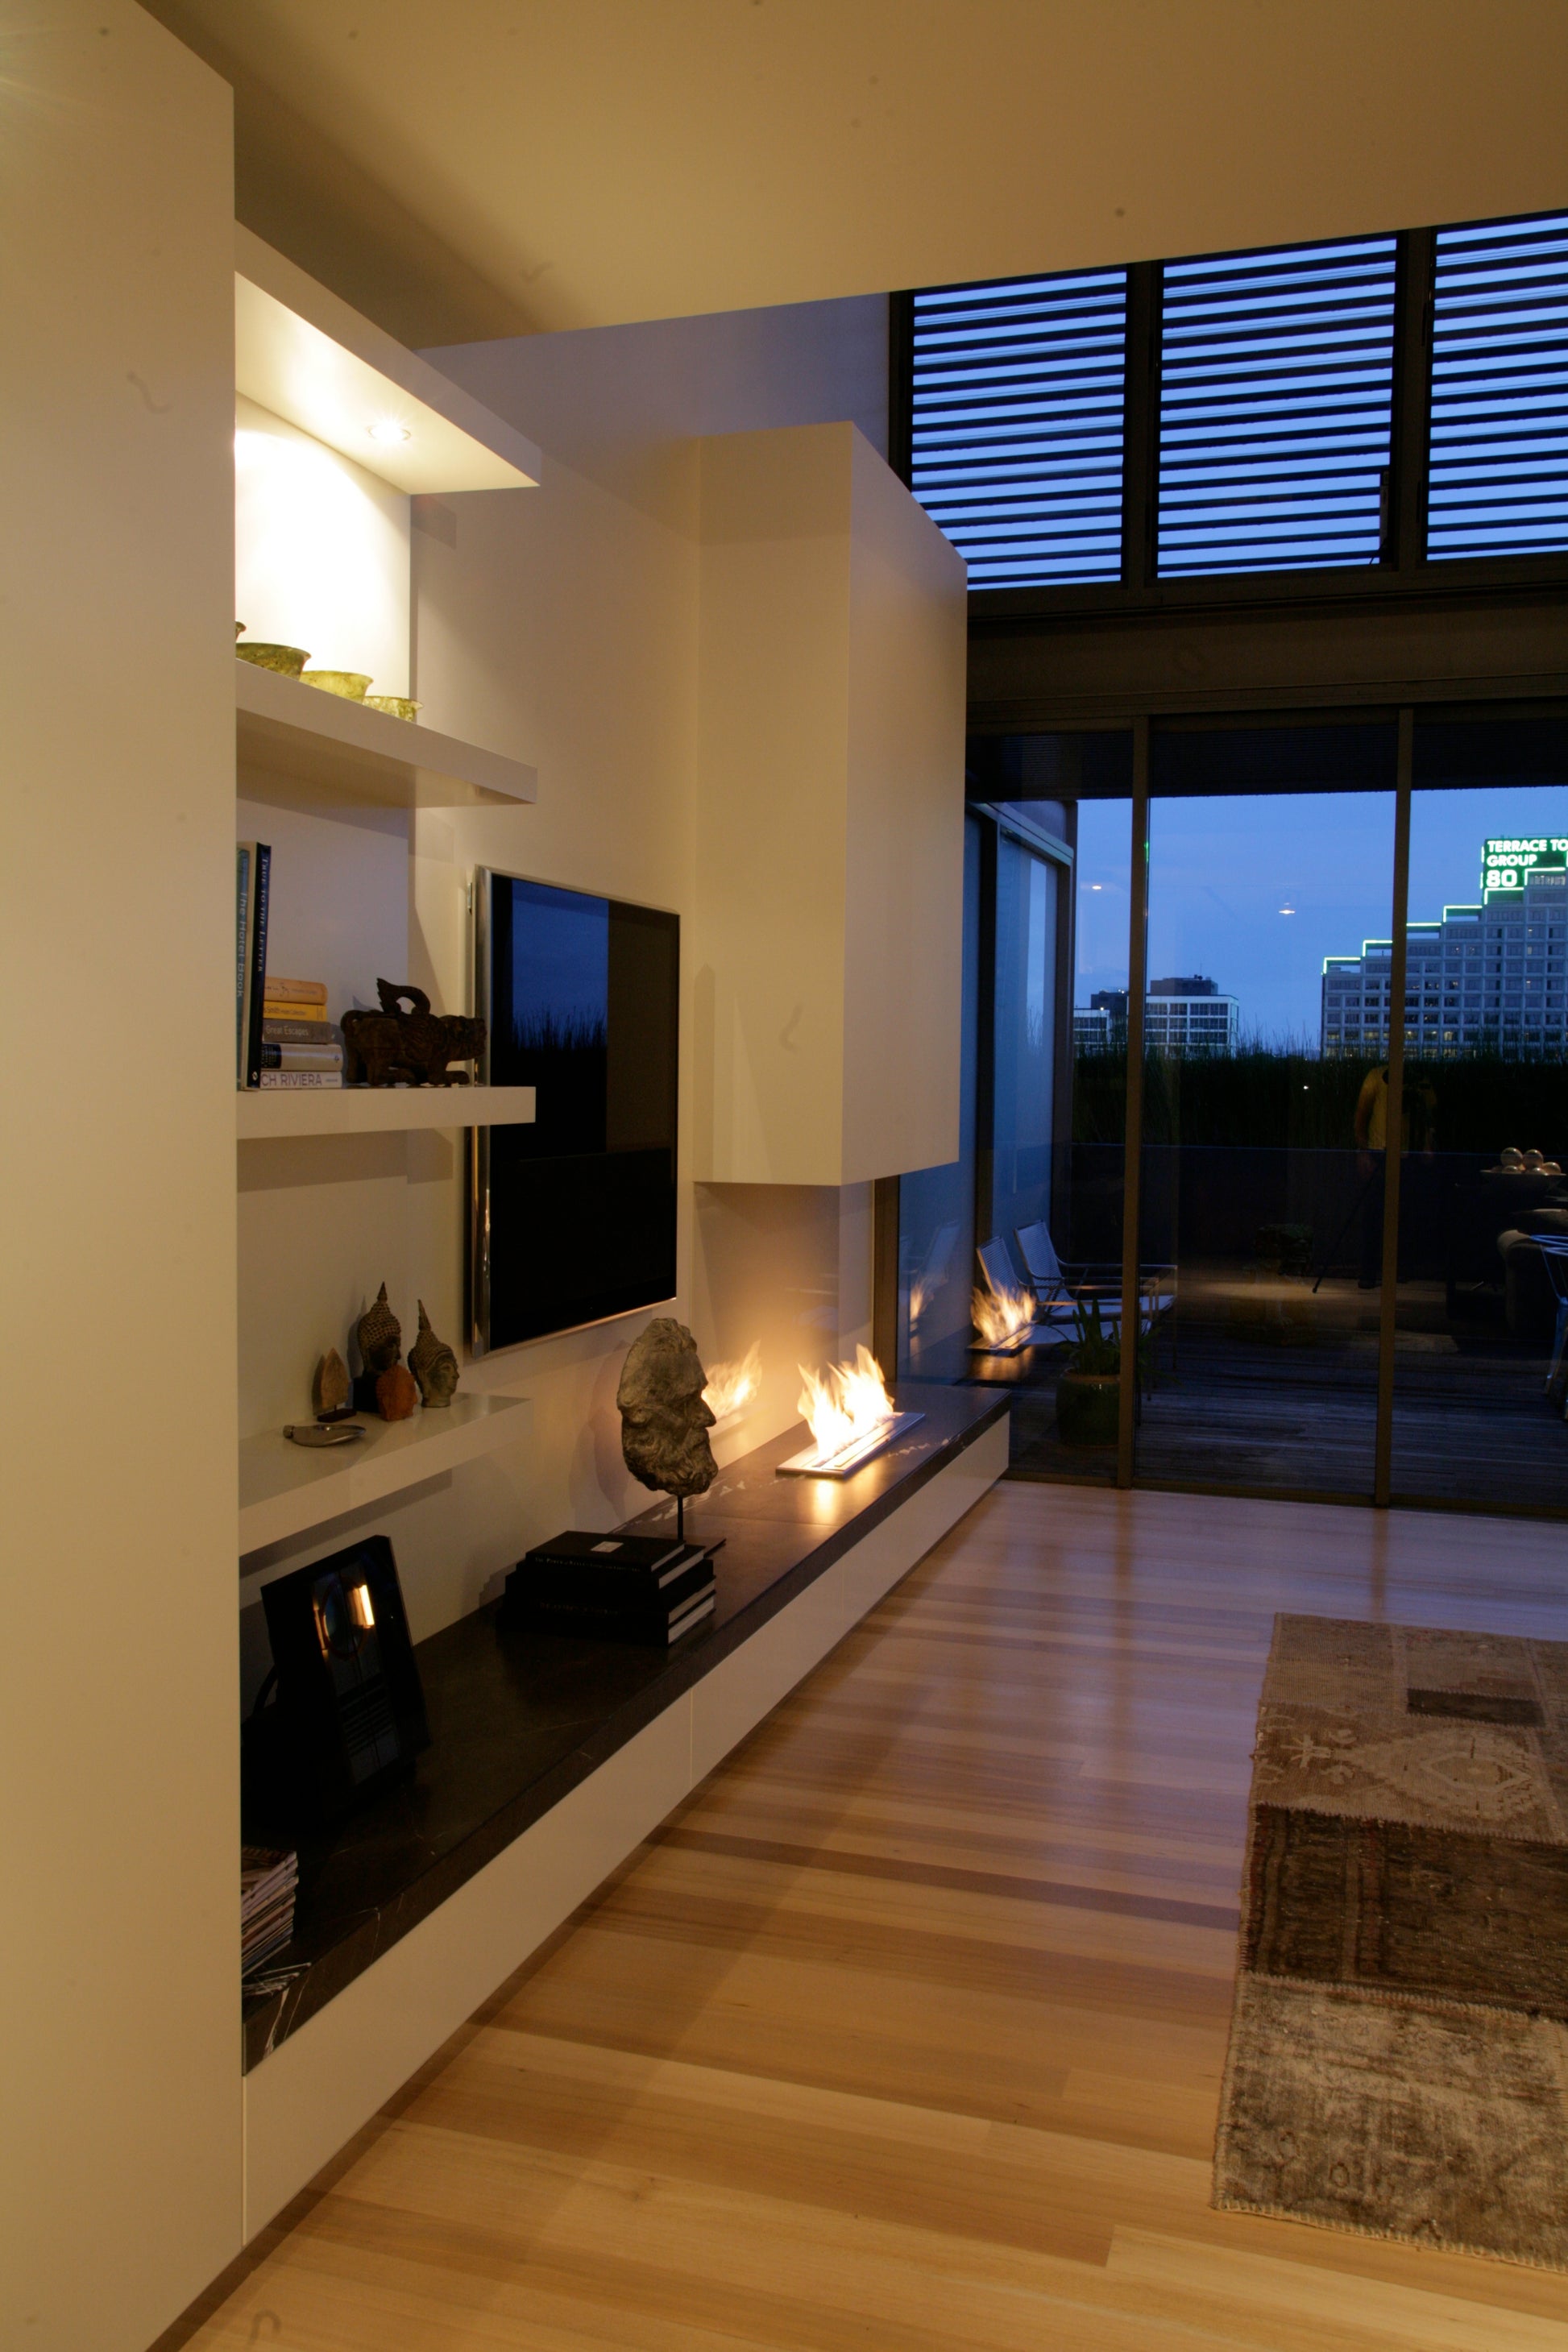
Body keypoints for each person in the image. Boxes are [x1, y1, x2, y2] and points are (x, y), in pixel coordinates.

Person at [1353, 1064, 1437, 1288]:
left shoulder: (1418, 1079)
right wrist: (1364, 1152)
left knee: (1405, 1214)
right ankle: (1370, 1272)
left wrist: (1427, 1145)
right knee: (1373, 1215)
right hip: (1381, 1152)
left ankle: (1397, 1270)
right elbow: (1361, 1116)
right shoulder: (1378, 1076)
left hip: (1408, 1155)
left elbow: (1428, 1117)